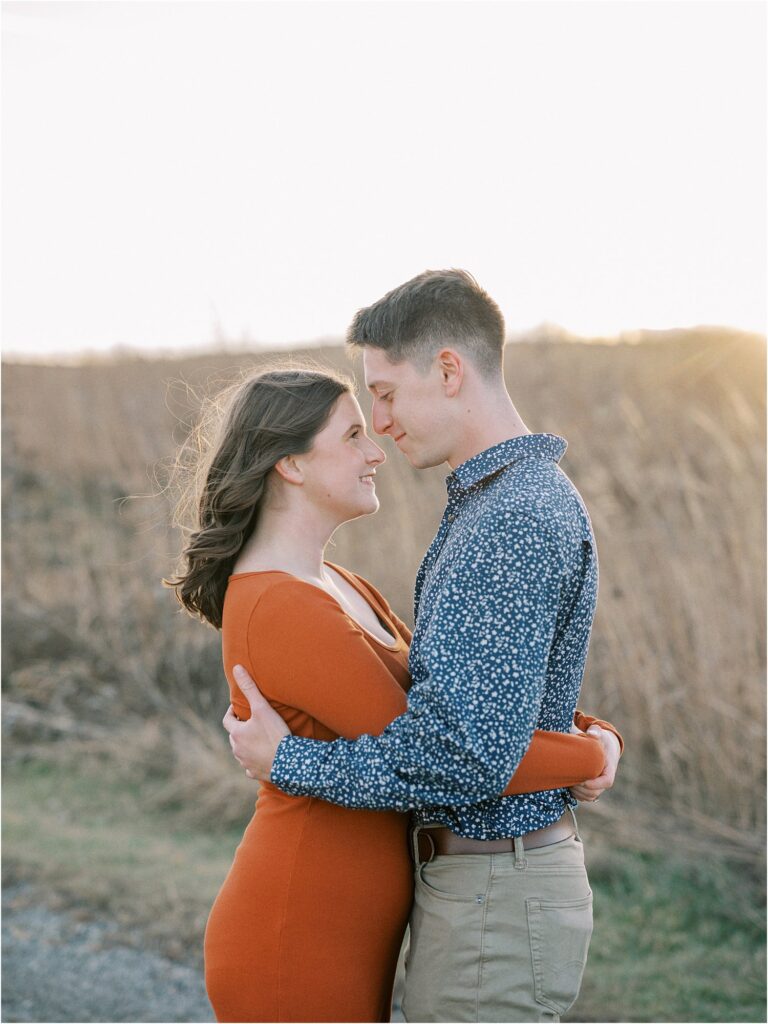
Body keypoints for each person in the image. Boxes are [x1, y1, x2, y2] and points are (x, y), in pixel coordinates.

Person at [225, 269, 623, 1023]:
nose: (380, 423)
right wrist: (588, 744)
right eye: (362, 412)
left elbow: (463, 752)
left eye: (384, 392)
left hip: (498, 892)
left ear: (447, 371)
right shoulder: (496, 503)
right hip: (486, 892)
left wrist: (288, 762)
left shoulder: (507, 518)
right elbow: (468, 705)